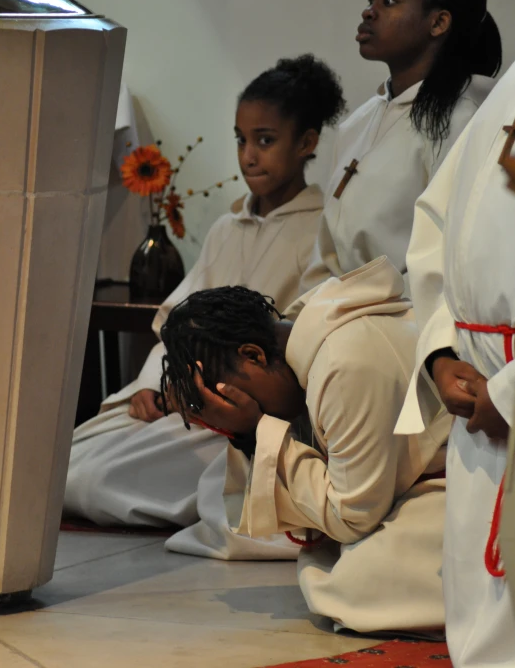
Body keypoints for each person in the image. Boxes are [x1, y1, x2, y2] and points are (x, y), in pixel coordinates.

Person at [63, 55, 345, 559]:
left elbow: (303, 337)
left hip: (237, 409)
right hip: (180, 395)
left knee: (88, 479)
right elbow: (177, 319)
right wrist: (155, 386)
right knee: (60, 462)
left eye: (265, 140)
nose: (249, 156)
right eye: (240, 139)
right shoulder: (225, 229)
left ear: (306, 143)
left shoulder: (321, 226)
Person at [160, 260, 450, 634]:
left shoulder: (343, 363)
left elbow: (354, 517)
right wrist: (245, 434)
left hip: (470, 478)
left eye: (229, 397)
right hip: (410, 486)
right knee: (334, 567)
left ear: (253, 355)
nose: (238, 410)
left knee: (359, 583)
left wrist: (253, 431)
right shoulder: (307, 338)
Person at [396, 61, 515, 666]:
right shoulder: (511, 88)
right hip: (474, 371)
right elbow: (437, 222)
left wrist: (512, 392)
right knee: (476, 603)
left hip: (504, 380)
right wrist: (441, 351)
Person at [301, 0, 500, 295]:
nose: (368, 12)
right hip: (339, 313)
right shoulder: (357, 125)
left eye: (388, 2)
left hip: (406, 317)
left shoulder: (465, 117)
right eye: (370, 0)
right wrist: (304, 315)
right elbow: (325, 261)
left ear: (438, 22)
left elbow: (448, 259)